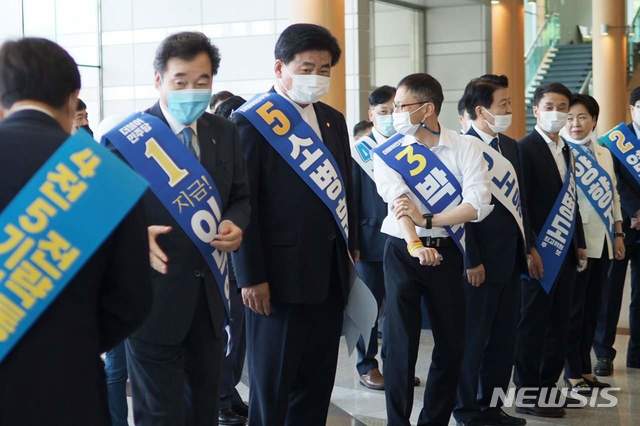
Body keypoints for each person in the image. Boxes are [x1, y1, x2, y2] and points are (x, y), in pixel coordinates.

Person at [0, 37, 151, 426]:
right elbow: (132, 300)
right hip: (70, 390)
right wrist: (71, 340)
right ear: (72, 99)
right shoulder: (104, 174)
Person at [105, 32, 251, 426]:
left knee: (203, 408)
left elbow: (241, 196)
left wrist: (236, 223)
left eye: (202, 82)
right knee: (159, 414)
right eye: (180, 81)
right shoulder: (125, 141)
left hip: (211, 300)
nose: (192, 90)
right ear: (158, 80)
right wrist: (132, 238)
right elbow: (102, 216)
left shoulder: (225, 132)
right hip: (153, 299)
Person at [232, 23, 357, 426]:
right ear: (280, 67)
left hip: (328, 279)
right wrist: (250, 277)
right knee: (273, 387)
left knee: (316, 385)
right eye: (306, 67)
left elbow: (345, 189)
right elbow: (242, 203)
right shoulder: (251, 121)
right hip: (276, 282)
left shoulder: (333, 120)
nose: (316, 77)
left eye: (324, 69)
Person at [373, 72, 492, 426]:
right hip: (401, 250)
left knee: (451, 343)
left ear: (426, 109)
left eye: (401, 107)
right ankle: (398, 421)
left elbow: (477, 203)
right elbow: (398, 200)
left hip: (448, 250)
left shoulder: (465, 147)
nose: (394, 114)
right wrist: (414, 242)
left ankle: (434, 420)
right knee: (399, 345)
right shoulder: (391, 151)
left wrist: (429, 221)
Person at [453, 75, 527, 426]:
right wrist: (473, 258)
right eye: (504, 105)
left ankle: (492, 406)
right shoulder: (462, 147)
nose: (509, 110)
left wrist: (529, 250)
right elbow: (462, 210)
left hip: (511, 260)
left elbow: (519, 205)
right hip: (478, 263)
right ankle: (466, 409)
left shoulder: (510, 147)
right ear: (480, 110)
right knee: (473, 339)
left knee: (503, 338)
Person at [514, 82, 587, 419]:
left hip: (566, 252)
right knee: (533, 325)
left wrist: (580, 243)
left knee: (561, 323)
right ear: (536, 110)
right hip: (540, 254)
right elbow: (521, 204)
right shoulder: (524, 149)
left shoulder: (567, 149)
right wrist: (529, 247)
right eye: (550, 106)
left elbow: (571, 201)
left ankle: (549, 387)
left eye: (563, 106)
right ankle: (528, 393)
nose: (557, 113)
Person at [560, 94, 624, 392]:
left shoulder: (603, 153)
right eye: (570, 117)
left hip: (605, 241)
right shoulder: (560, 152)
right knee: (574, 311)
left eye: (582, 117)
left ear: (594, 120)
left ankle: (585, 371)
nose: (575, 123)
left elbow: (614, 195)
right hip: (577, 244)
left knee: (593, 309)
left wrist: (619, 233)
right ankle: (572, 372)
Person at [594, 86, 640, 376]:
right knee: (610, 293)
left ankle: (636, 355)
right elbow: (614, 181)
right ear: (631, 109)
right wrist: (635, 211)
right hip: (621, 227)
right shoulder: (614, 142)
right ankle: (603, 353)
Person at [351, 85, 395, 390]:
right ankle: (367, 365)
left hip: (407, 242)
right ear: (371, 115)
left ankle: (397, 364)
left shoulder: (412, 147)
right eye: (384, 113)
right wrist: (352, 243)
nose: (390, 117)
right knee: (368, 308)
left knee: (398, 311)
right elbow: (351, 199)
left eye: (395, 111)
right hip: (369, 242)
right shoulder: (359, 151)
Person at [212, 94, 249, 426]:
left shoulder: (236, 151)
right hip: (225, 264)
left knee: (238, 337)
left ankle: (228, 394)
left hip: (242, 255)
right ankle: (222, 399)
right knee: (229, 335)